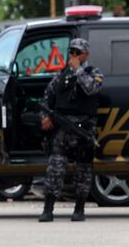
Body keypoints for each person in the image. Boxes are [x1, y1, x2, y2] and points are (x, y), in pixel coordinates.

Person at [39, 37, 103, 223]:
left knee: (83, 170)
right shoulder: (60, 76)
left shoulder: (93, 72)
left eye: (78, 53)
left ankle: (79, 209)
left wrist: (78, 70)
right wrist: (45, 118)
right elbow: (46, 98)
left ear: (86, 55)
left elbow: (92, 89)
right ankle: (48, 209)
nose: (73, 56)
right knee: (55, 168)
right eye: (71, 52)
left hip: (84, 130)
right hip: (62, 130)